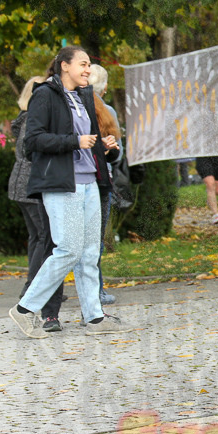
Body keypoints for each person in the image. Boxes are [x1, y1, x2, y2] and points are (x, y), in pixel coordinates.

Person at [9, 46, 134, 337]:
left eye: (89, 65)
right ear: (64, 66)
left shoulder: (83, 96)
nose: (88, 69)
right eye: (83, 63)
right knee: (68, 249)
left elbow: (84, 142)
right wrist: (75, 141)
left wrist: (102, 147)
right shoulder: (44, 95)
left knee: (89, 252)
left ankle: (94, 317)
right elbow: (33, 141)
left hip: (90, 181)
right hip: (60, 183)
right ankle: (25, 310)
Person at [8, 76, 64, 333]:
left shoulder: (23, 119)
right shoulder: (33, 120)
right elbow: (30, 152)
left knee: (37, 238)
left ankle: (32, 286)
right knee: (44, 239)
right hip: (31, 186)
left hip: (20, 185)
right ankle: (34, 288)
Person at [88, 65, 121, 306]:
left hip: (80, 178)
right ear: (105, 86)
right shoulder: (107, 110)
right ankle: (95, 289)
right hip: (101, 179)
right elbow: (117, 154)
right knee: (95, 238)